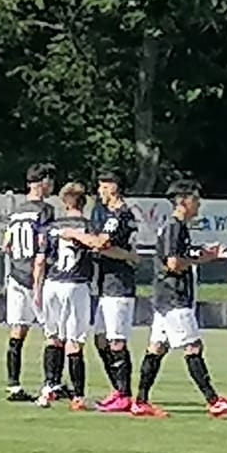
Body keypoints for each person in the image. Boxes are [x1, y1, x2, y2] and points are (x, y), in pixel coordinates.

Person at [131, 181, 227, 419]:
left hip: (164, 297)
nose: (199, 204)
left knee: (157, 348)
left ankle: (140, 401)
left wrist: (203, 254)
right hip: (174, 297)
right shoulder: (174, 227)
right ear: (183, 201)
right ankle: (213, 401)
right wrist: (202, 259)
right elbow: (173, 263)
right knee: (193, 347)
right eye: (195, 199)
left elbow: (180, 255)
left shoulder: (176, 227)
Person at [34, 182, 106, 410]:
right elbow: (98, 246)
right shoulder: (89, 226)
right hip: (75, 285)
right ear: (83, 203)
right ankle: (78, 396)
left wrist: (37, 289)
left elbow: (40, 260)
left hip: (51, 284)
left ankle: (49, 387)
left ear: (64, 202)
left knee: (52, 337)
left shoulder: (51, 227)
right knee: (74, 341)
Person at [2, 163, 56, 401]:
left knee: (18, 330)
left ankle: (14, 385)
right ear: (42, 183)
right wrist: (38, 281)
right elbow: (43, 247)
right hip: (35, 276)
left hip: (16, 275)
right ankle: (51, 384)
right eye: (49, 181)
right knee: (52, 332)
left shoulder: (16, 212)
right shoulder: (45, 210)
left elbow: (6, 245)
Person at [90, 171, 141, 412]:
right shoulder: (112, 215)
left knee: (116, 340)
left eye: (103, 186)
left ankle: (124, 394)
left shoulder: (120, 215)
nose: (100, 191)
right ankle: (117, 389)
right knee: (101, 339)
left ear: (114, 188)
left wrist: (81, 238)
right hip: (106, 284)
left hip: (119, 285)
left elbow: (102, 243)